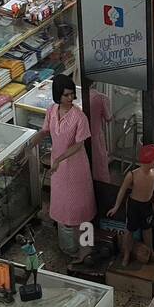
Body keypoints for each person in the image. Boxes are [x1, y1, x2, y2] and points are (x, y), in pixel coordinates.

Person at [40, 74, 97, 264]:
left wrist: (59, 159)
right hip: (59, 170)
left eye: (72, 94)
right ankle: (68, 249)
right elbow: (45, 130)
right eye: (66, 95)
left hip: (76, 168)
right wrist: (29, 144)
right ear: (58, 95)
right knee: (63, 209)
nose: (70, 98)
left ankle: (85, 250)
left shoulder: (79, 117)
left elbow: (79, 145)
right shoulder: (52, 111)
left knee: (82, 210)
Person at [108, 144, 154, 268]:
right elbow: (122, 191)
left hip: (147, 205)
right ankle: (127, 254)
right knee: (129, 231)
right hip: (134, 205)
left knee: (148, 230)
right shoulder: (133, 175)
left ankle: (151, 253)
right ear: (149, 161)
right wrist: (116, 206)